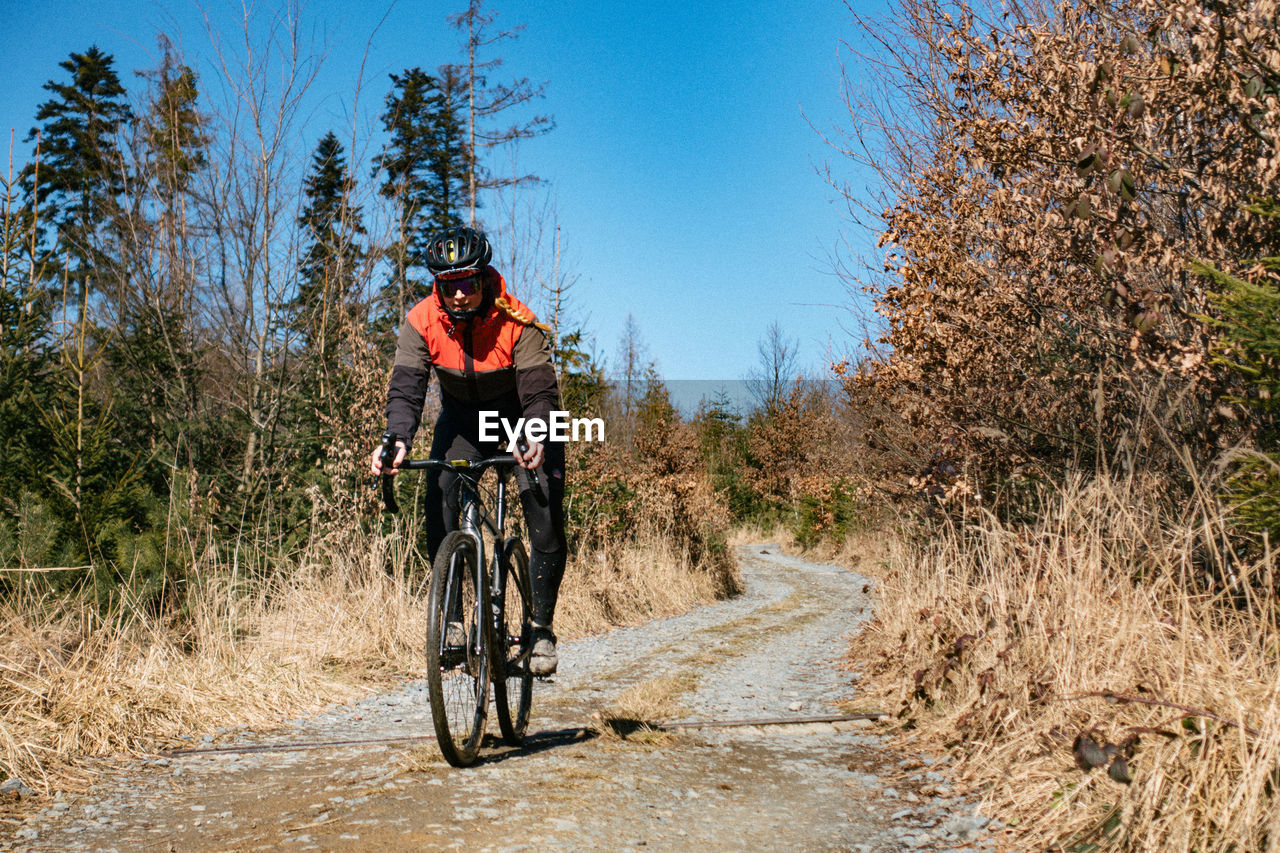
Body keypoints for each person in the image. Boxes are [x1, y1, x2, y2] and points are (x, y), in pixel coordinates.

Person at [370, 225, 567, 676]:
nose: (459, 296)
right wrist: (397, 439)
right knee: (440, 494)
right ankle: (455, 622)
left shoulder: (518, 320)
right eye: (449, 286)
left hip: (520, 415)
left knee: (543, 508)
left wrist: (537, 434)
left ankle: (540, 629)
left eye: (469, 284)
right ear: (437, 285)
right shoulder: (420, 321)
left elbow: (540, 395)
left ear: (484, 278)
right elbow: (406, 390)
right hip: (464, 420)